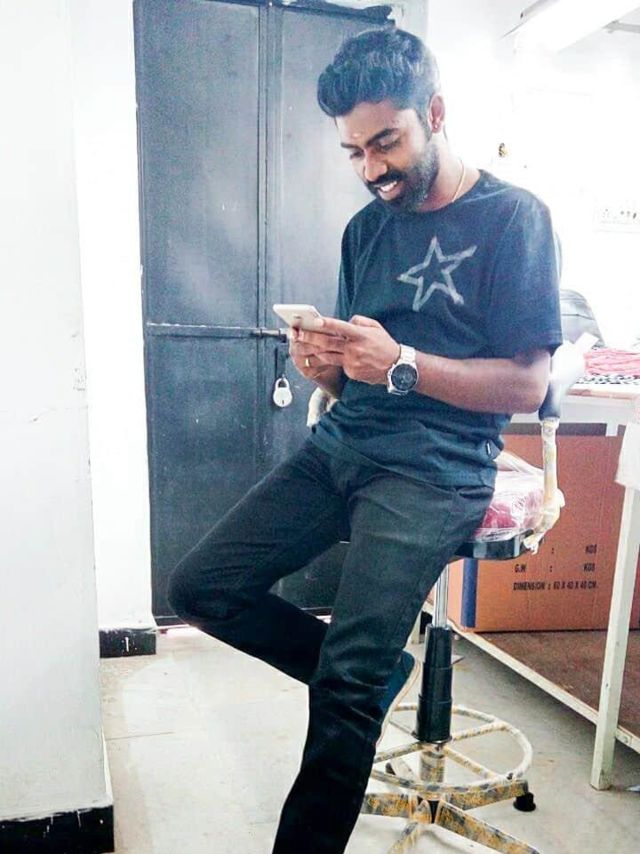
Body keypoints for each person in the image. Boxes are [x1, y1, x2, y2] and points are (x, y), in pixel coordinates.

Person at [168, 28, 563, 854]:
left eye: (386, 142)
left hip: (438, 470)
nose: (371, 168)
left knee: (341, 691)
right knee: (203, 587)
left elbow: (527, 385)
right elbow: (363, 376)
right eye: (353, 151)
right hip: (346, 445)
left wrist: (404, 363)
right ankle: (375, 672)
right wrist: (327, 368)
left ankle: (359, 681)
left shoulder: (515, 219)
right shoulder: (365, 230)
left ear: (436, 113)